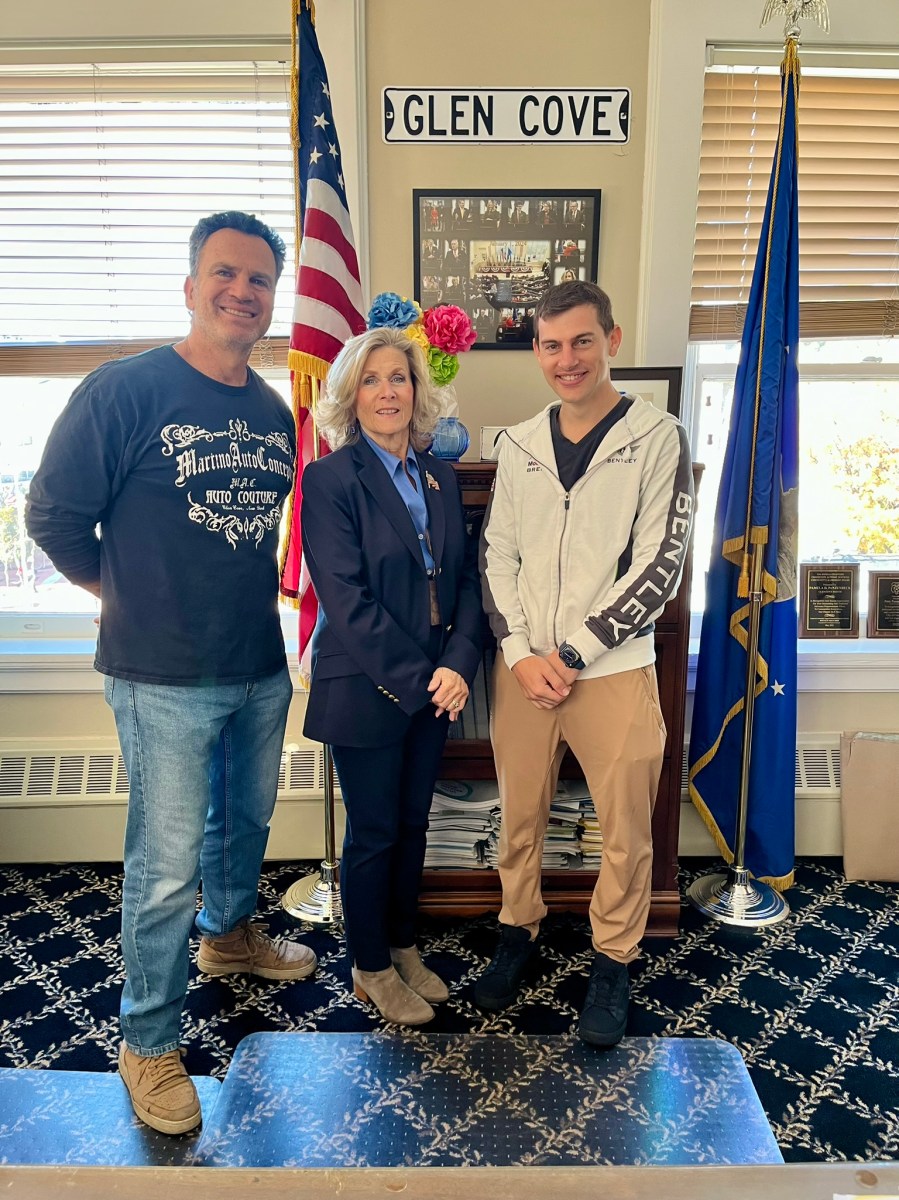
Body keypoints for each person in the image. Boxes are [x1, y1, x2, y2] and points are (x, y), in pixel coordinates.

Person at [25, 211, 317, 1135]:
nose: (243, 292)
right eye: (225, 274)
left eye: (260, 281)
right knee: (162, 869)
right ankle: (146, 1039)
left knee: (249, 821)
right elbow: (53, 516)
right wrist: (127, 595)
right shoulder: (125, 391)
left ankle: (229, 938)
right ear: (191, 286)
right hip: (161, 673)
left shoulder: (272, 413)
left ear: (272, 300)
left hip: (255, 664)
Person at [476, 280, 693, 1046]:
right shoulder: (519, 442)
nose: (566, 359)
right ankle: (517, 931)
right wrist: (519, 652)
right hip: (524, 671)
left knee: (627, 830)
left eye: (581, 342)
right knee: (520, 818)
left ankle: (613, 957)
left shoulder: (657, 435)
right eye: (550, 345)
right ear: (535, 351)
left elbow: (660, 565)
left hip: (612, 669)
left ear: (612, 340)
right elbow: (496, 553)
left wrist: (572, 653)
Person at [301, 326, 482, 1026]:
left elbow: (465, 580)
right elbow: (345, 599)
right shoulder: (330, 480)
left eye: (398, 378)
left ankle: (403, 946)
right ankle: (369, 965)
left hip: (438, 682)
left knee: (413, 824)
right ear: (352, 394)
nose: (387, 391)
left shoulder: (439, 475)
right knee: (374, 831)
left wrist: (458, 664)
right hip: (367, 684)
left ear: (417, 389)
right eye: (372, 380)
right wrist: (424, 678)